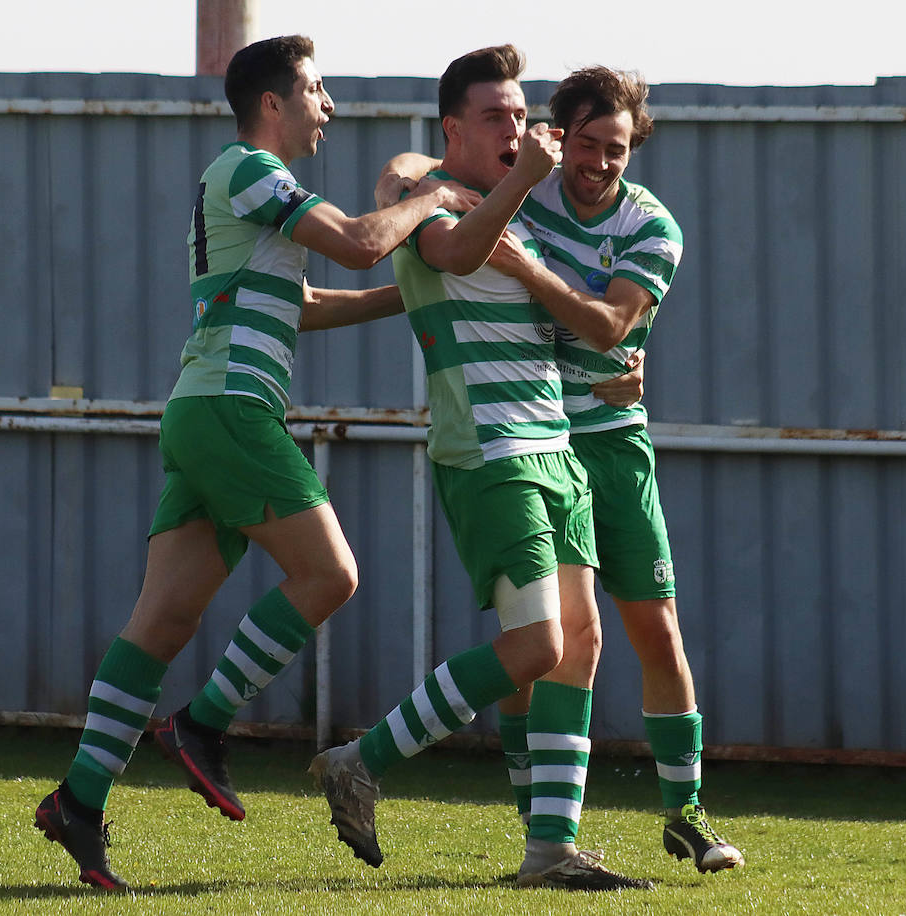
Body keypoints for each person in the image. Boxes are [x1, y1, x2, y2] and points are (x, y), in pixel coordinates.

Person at [31, 34, 482, 892]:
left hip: (205, 412)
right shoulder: (247, 168)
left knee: (160, 624)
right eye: (316, 89)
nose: (330, 105)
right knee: (333, 575)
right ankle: (200, 724)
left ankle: (79, 802)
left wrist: (412, 293)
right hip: (233, 412)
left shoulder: (247, 190)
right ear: (272, 102)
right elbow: (355, 240)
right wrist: (437, 199)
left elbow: (302, 299)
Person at [375, 65, 743, 874]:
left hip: (609, 442)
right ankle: (541, 824)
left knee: (654, 630)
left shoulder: (652, 226)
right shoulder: (523, 187)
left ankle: (683, 810)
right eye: (585, 143)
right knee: (546, 644)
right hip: (533, 440)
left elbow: (613, 325)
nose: (599, 163)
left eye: (616, 149)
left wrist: (541, 281)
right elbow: (421, 172)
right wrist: (400, 176)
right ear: (556, 136)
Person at [308, 44, 650, 892]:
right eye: (495, 116)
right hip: (489, 454)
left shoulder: (519, 213)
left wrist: (611, 365)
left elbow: (545, 326)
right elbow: (457, 253)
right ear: (456, 129)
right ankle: (361, 759)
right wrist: (485, 178)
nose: (517, 127)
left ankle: (549, 851)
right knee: (533, 645)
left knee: (580, 644)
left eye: (519, 111)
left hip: (555, 449)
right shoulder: (438, 207)